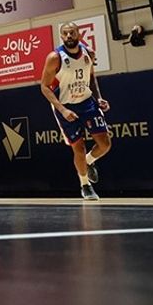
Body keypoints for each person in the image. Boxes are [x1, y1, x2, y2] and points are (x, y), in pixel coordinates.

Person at [40, 22, 112, 201]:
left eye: (72, 33)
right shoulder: (54, 57)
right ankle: (85, 185)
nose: (69, 36)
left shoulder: (89, 53)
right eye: (65, 34)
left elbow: (92, 77)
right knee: (78, 148)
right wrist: (63, 110)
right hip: (66, 105)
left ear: (79, 34)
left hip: (87, 102)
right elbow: (44, 87)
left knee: (105, 144)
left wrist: (99, 98)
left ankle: (88, 162)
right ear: (61, 37)